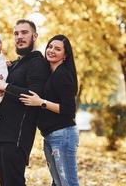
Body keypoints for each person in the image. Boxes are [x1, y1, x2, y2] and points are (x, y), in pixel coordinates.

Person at [0, 19, 50, 186]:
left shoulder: (38, 63)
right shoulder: (13, 64)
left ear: (34, 36)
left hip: (16, 137)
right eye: (16, 33)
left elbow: (34, 96)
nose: (19, 37)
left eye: (24, 33)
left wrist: (4, 86)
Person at [19, 34, 80, 186]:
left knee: (68, 183)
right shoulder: (50, 72)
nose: (51, 50)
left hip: (63, 135)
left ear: (65, 55)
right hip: (51, 135)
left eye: (58, 49)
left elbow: (69, 110)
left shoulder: (63, 74)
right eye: (50, 46)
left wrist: (41, 102)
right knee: (59, 183)